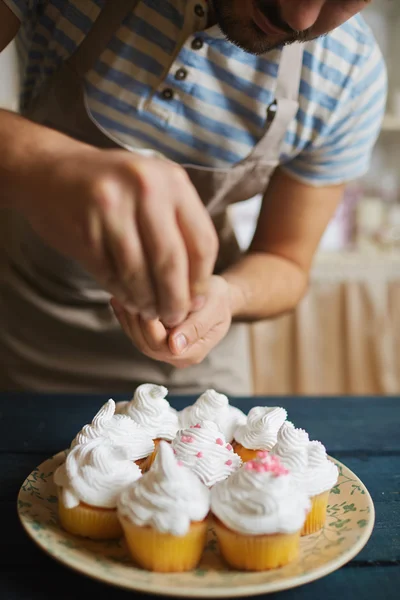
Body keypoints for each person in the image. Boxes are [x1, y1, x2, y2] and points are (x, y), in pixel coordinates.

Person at [0, 0, 387, 395]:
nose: (298, 21)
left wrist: (228, 296)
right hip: (18, 326)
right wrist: (45, 164)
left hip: (192, 369)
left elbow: (285, 259)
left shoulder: (350, 74)